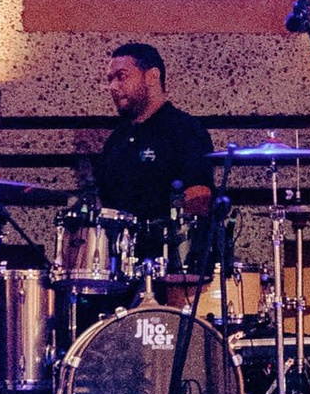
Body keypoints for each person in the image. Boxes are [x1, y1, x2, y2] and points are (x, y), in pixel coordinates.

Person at [90, 41, 217, 275]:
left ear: (152, 76)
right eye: (110, 79)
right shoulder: (116, 140)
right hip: (119, 266)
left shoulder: (184, 129)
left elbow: (199, 196)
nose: (113, 86)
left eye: (121, 76)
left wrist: (159, 229)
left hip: (168, 266)